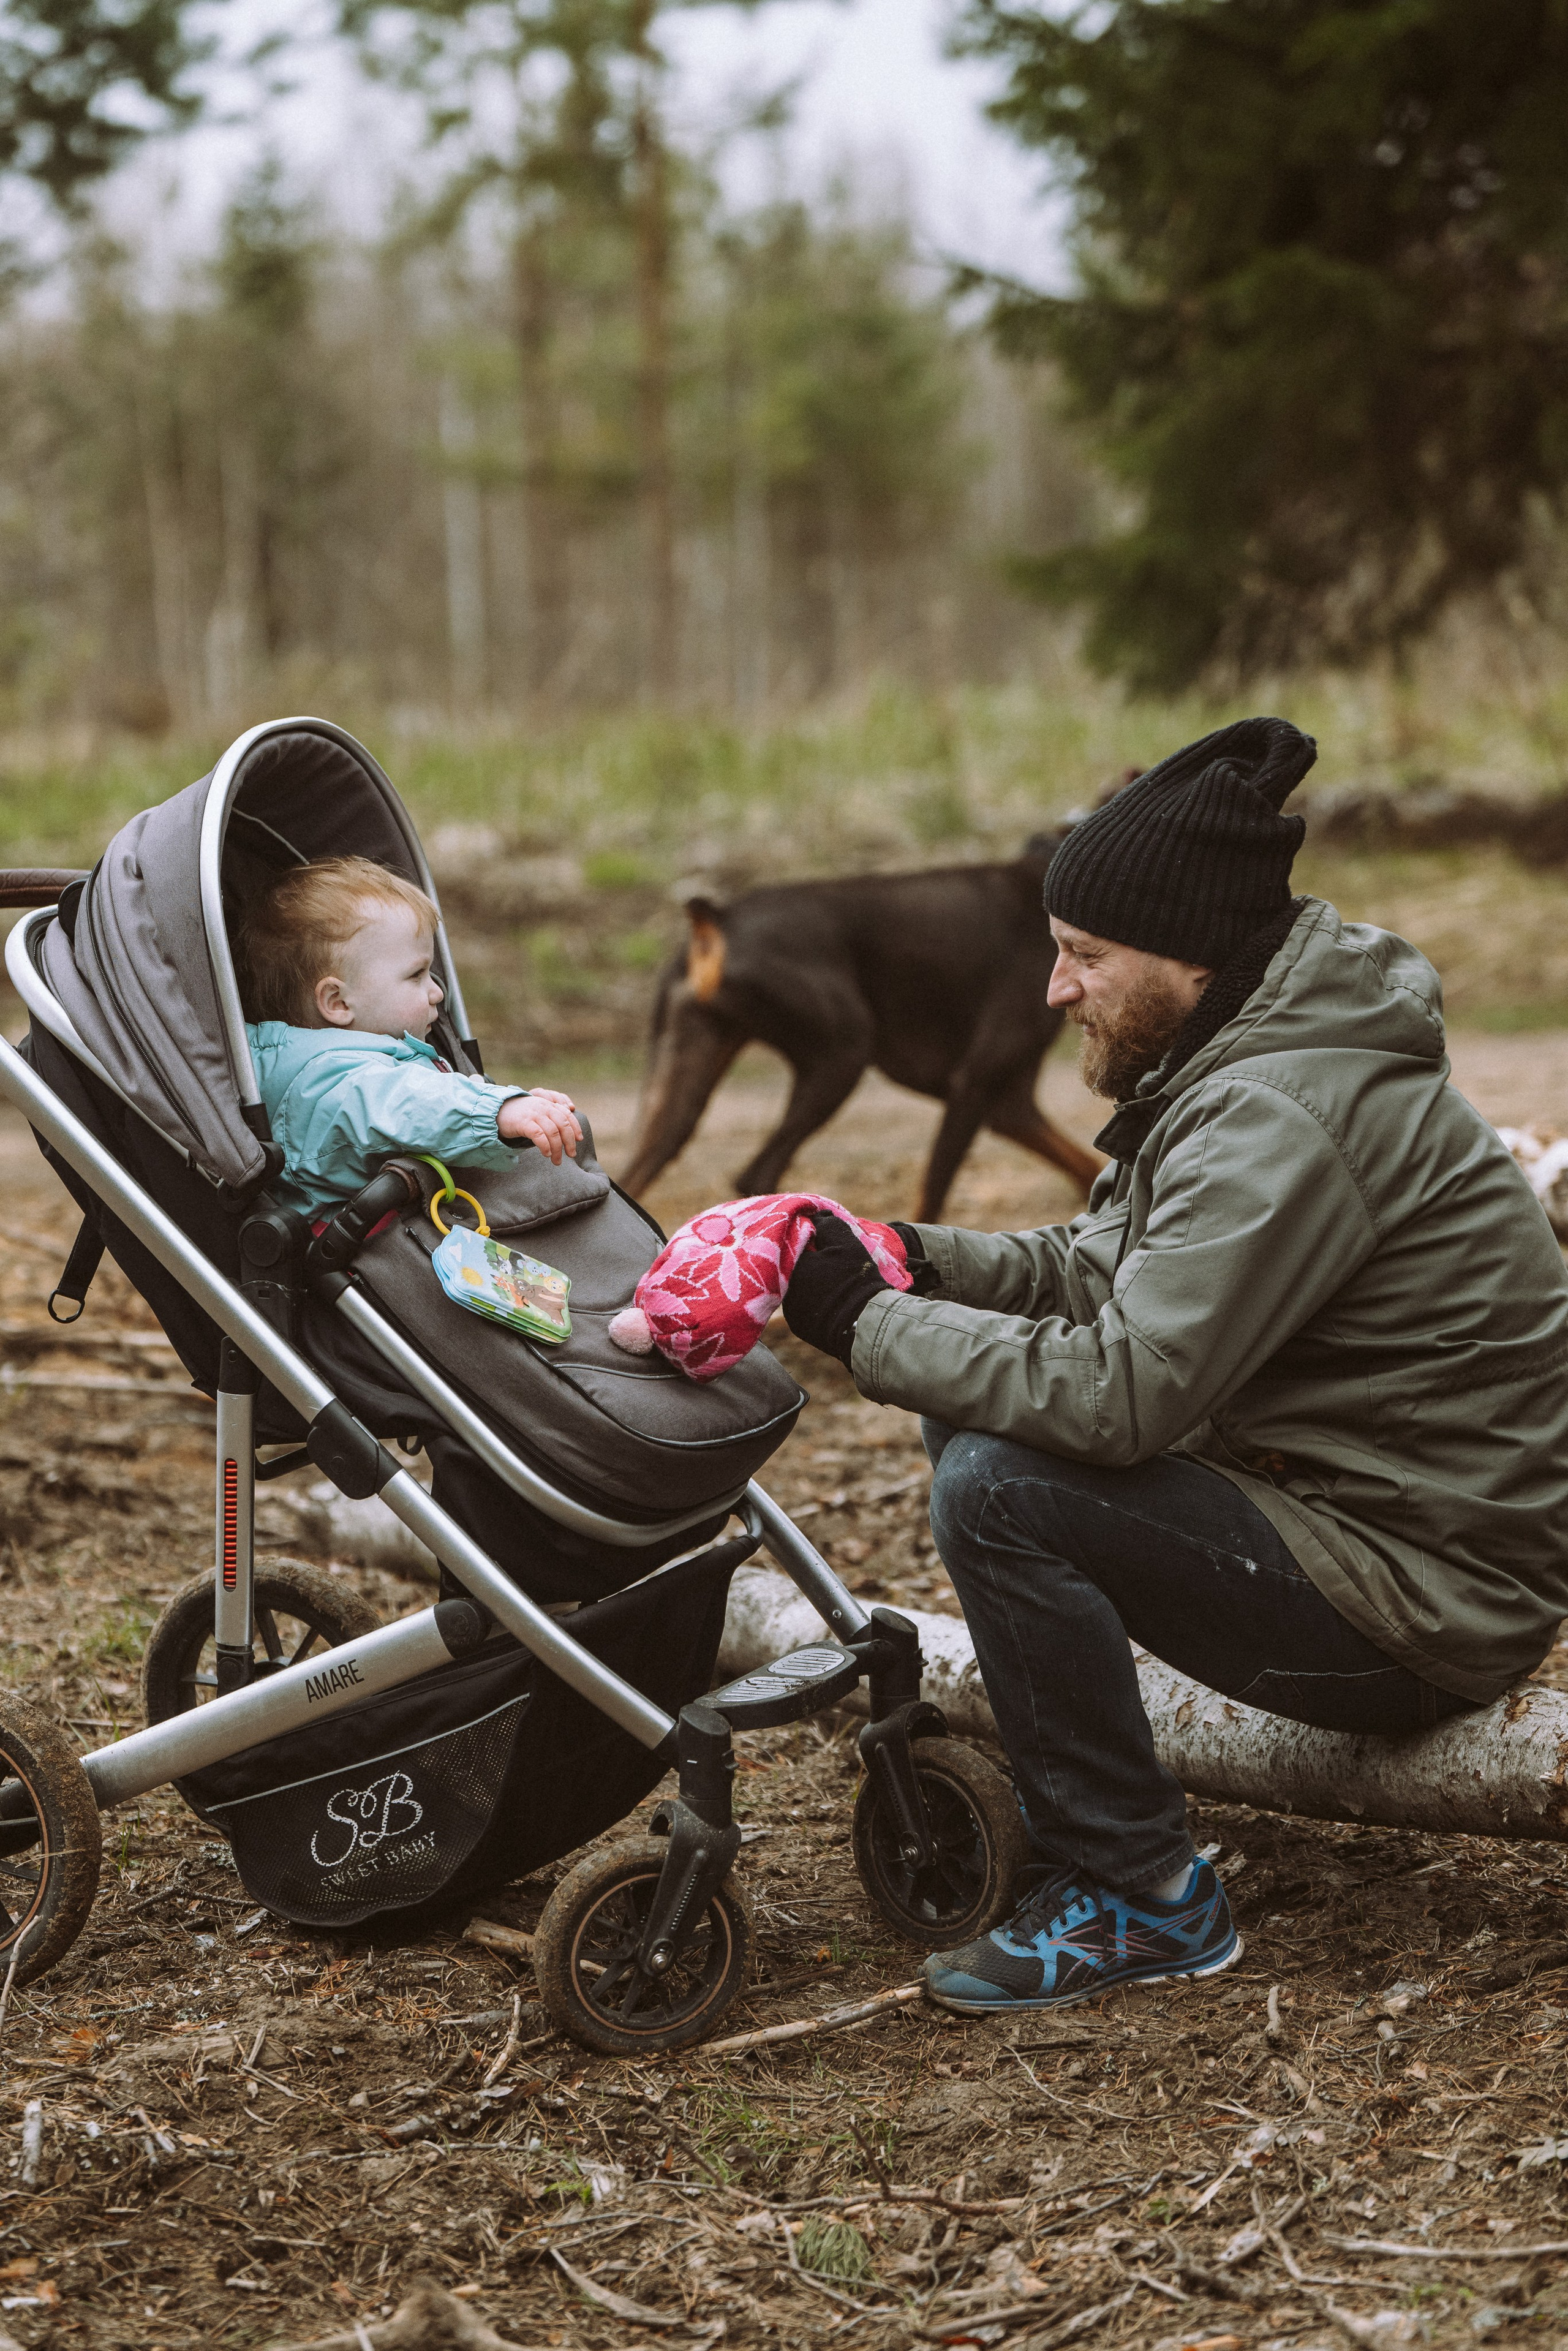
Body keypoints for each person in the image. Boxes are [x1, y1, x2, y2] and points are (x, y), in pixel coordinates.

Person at [780, 716, 1568, 2014]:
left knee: (999, 1479)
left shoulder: (1282, 1114)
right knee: (968, 1402)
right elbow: (1100, 1275)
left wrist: (860, 1324)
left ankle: (1142, 1897)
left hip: (1429, 1592)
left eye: (1081, 956)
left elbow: (1119, 1389)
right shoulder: (1234, 1061)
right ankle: (1094, 1807)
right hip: (1345, 1511)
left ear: (1185, 956)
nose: (1052, 991)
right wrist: (903, 1258)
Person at [238, 855, 582, 1220]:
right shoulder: (328, 1082)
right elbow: (408, 1106)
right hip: (369, 1258)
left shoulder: (372, 1058)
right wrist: (495, 1113)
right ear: (338, 1002)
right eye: (417, 974)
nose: (438, 992)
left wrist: (520, 1106)